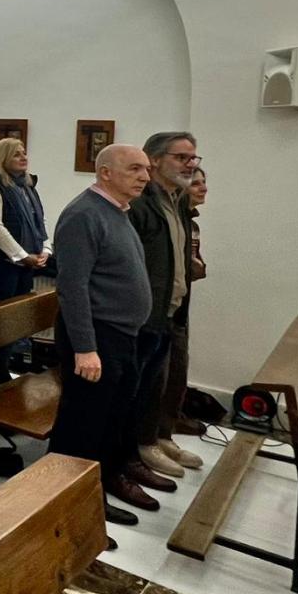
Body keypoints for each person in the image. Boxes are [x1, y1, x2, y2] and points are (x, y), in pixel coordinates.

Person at [48, 143, 155, 546]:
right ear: (105, 172)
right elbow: (72, 286)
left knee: (108, 426)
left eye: (145, 169)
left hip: (120, 335)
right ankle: (64, 515)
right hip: (96, 338)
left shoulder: (117, 212)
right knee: (80, 432)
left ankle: (92, 499)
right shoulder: (83, 215)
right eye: (134, 168)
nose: (144, 176)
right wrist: (85, 348)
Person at [129, 131, 205, 482]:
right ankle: (143, 444)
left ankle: (162, 435)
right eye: (182, 157)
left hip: (174, 307)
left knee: (173, 376)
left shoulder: (178, 201)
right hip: (146, 312)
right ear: (154, 160)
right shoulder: (140, 203)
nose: (191, 164)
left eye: (194, 158)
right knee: (148, 383)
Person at [0, 138, 50, 384]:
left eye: (24, 153)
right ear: (2, 158)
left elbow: (40, 223)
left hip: (26, 265)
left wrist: (45, 251)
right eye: (16, 154)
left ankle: (3, 366)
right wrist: (22, 255)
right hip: (5, 267)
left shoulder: (28, 186)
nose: (23, 157)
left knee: (15, 322)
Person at [159, 166, 210, 438]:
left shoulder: (192, 224)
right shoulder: (169, 221)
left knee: (179, 366)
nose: (203, 188)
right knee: (168, 369)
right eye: (196, 184)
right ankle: (160, 427)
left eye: (204, 182)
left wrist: (196, 266)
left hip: (182, 303)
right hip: (166, 308)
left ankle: (172, 418)